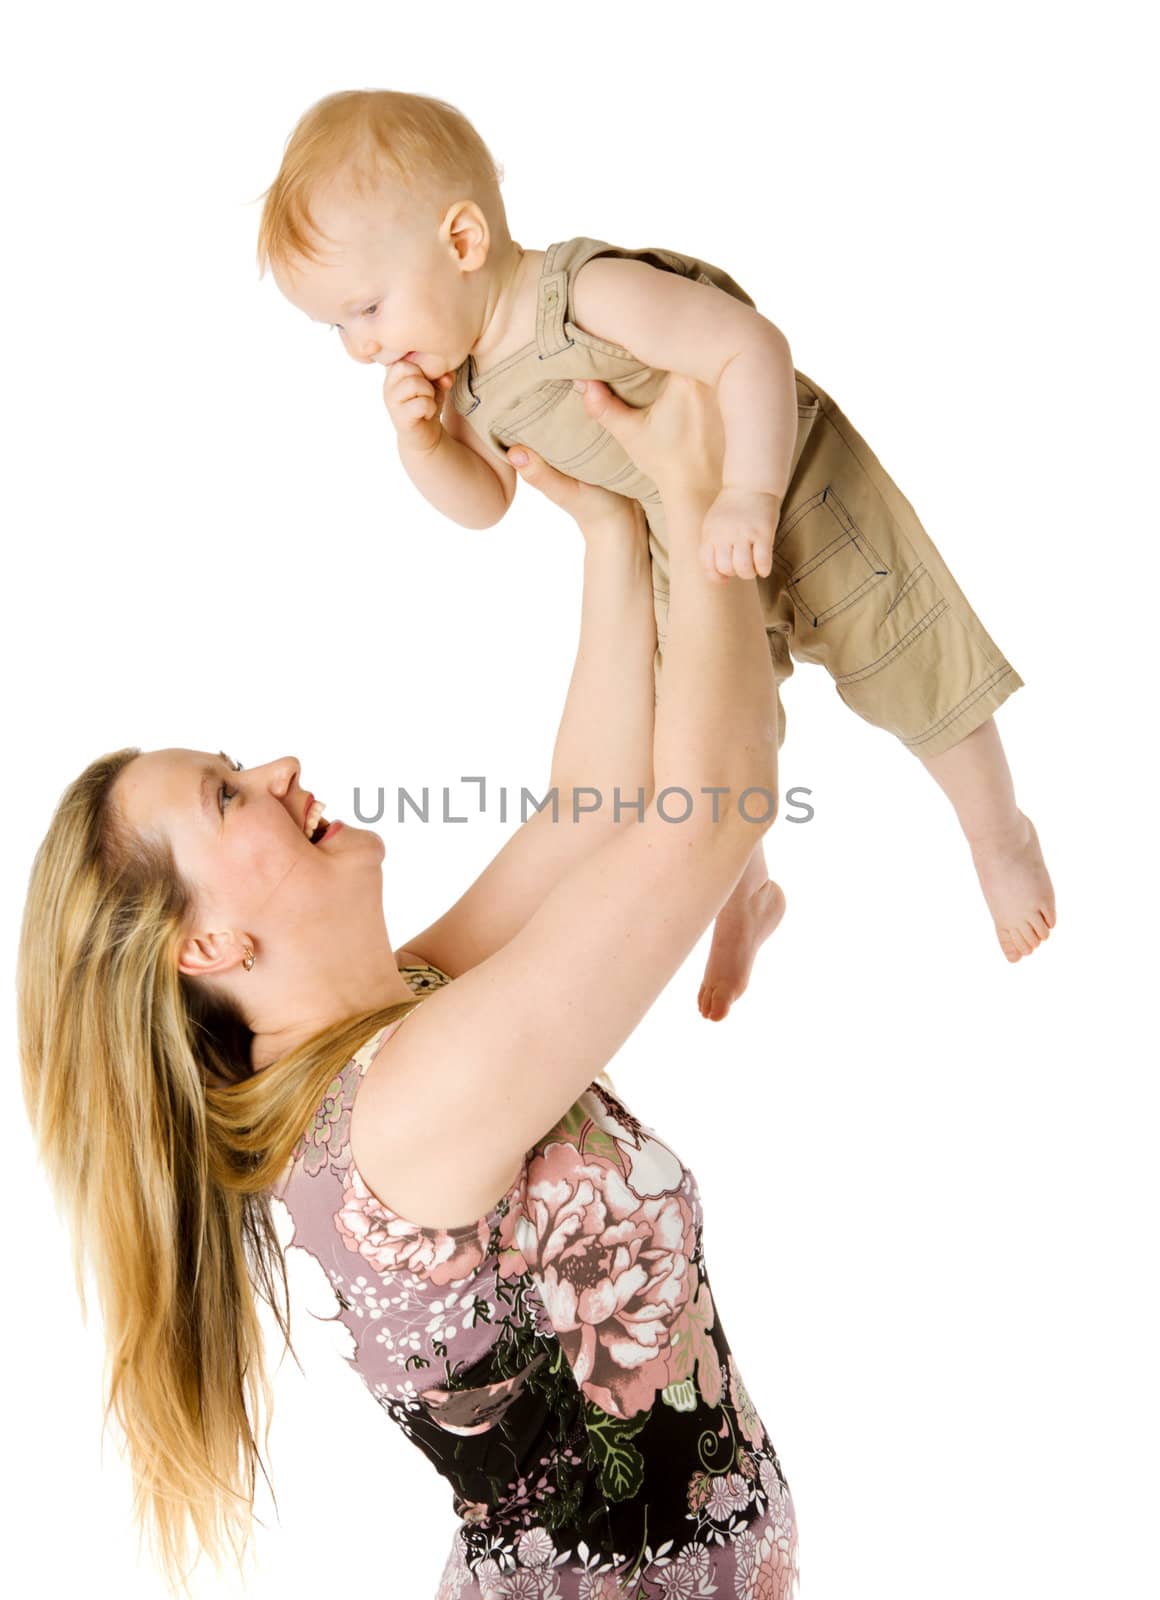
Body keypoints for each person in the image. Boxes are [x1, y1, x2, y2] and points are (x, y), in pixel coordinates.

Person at [18, 375, 799, 1598]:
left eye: (235, 763)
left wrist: (603, 525)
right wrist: (702, 495)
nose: (275, 766)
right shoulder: (396, 1113)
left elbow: (587, 816)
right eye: (227, 794)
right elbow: (697, 826)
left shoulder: (394, 1034)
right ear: (204, 947)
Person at [257, 87, 1056, 1021]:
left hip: (794, 479)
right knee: (704, 745)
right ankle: (746, 890)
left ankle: (999, 833)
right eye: (339, 330)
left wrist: (752, 492)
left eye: (367, 310)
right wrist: (424, 448)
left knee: (902, 653)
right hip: (681, 537)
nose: (363, 348)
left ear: (463, 241)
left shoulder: (582, 293)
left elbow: (749, 347)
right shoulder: (466, 383)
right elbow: (488, 505)